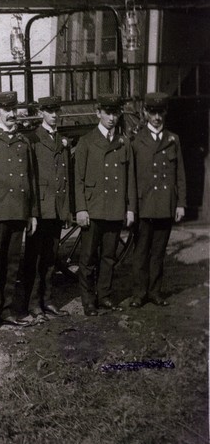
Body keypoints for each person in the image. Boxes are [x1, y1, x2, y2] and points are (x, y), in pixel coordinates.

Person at [0, 91, 38, 336]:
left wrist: (32, 213)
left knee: (12, 264)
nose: (10, 114)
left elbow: (32, 179)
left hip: (18, 211)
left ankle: (6, 311)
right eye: (5, 109)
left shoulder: (24, 143)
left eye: (13, 109)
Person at [73, 94, 136, 316]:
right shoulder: (86, 142)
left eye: (115, 113)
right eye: (107, 113)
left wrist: (129, 209)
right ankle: (88, 301)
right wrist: (81, 208)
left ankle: (105, 296)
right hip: (93, 209)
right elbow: (78, 179)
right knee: (88, 258)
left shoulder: (123, 142)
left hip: (115, 208)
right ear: (98, 113)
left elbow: (130, 178)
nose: (112, 117)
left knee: (109, 256)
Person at [129, 92, 186, 308]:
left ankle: (155, 291)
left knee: (159, 252)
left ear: (165, 113)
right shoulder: (136, 140)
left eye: (160, 112)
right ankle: (139, 293)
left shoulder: (173, 140)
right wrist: (131, 208)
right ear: (145, 113)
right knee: (141, 252)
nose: (157, 117)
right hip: (144, 206)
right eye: (152, 112)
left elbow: (180, 172)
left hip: (165, 204)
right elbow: (131, 178)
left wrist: (180, 203)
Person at [18, 96, 71, 320]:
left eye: (56, 111)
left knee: (51, 257)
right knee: (35, 258)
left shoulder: (61, 140)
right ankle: (32, 304)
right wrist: (32, 212)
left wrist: (66, 209)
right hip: (40, 208)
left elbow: (65, 177)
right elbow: (29, 178)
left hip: (57, 208)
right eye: (49, 111)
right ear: (41, 113)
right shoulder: (33, 139)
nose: (54, 115)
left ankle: (47, 300)